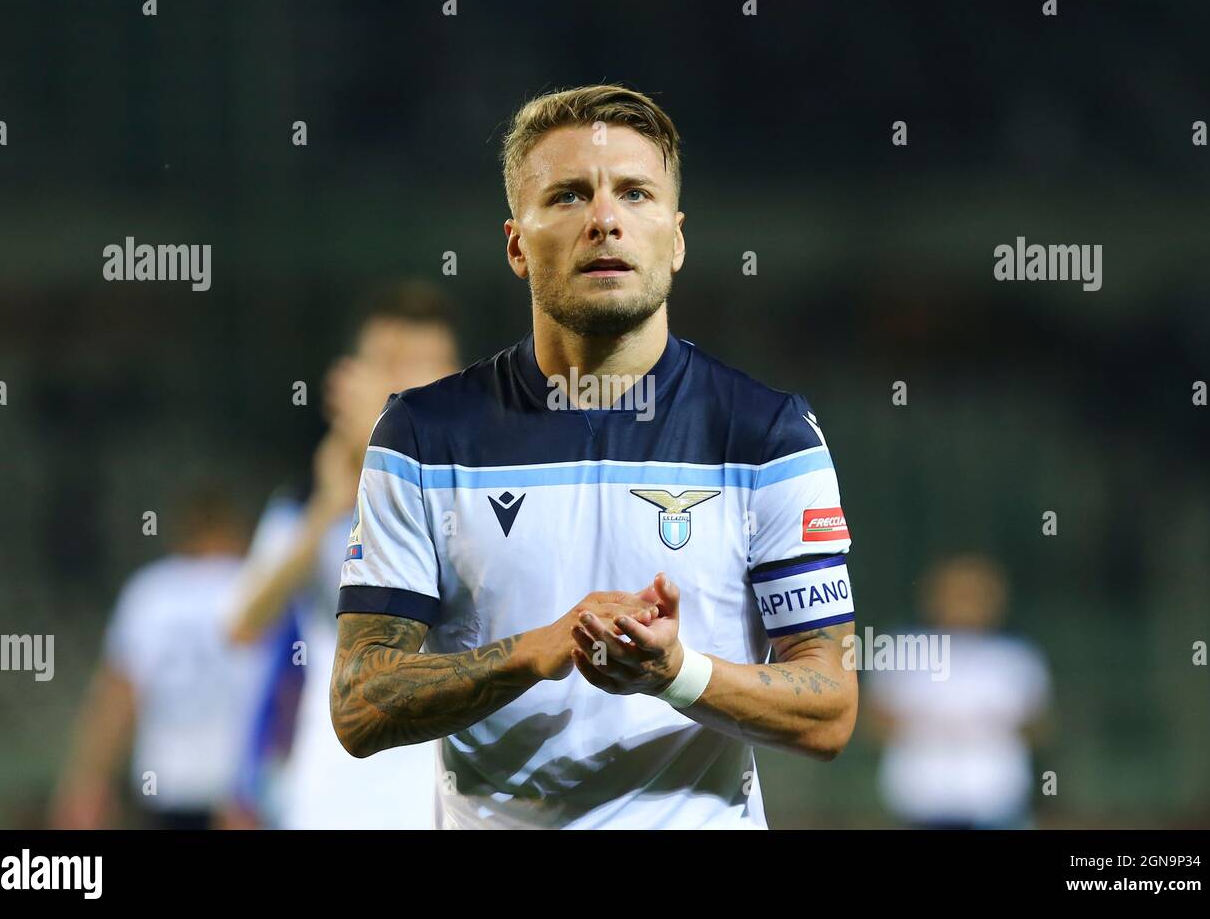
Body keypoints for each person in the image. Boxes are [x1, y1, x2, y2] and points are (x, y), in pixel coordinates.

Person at [332, 84, 859, 830]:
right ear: (517, 243)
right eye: (570, 196)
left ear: (675, 240)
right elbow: (358, 702)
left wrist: (676, 674)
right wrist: (542, 649)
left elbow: (831, 707)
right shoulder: (423, 436)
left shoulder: (767, 434)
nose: (605, 220)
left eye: (635, 194)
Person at [227, 284, 460, 829]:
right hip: (328, 795)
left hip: (437, 797)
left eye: (421, 370)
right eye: (387, 367)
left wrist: (388, 455)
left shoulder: (475, 498)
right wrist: (329, 505)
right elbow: (241, 623)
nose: (401, 389)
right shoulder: (309, 499)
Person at [51, 484, 269, 829]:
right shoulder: (257, 588)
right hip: (240, 790)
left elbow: (117, 696)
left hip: (167, 785)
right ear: (235, 531)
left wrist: (88, 781)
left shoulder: (150, 592)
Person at [866, 553, 1052, 829]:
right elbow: (873, 720)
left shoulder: (1018, 658)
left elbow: (1040, 725)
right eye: (956, 593)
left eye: (976, 594)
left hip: (996, 800)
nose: (964, 604)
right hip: (921, 801)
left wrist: (984, 728)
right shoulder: (900, 650)